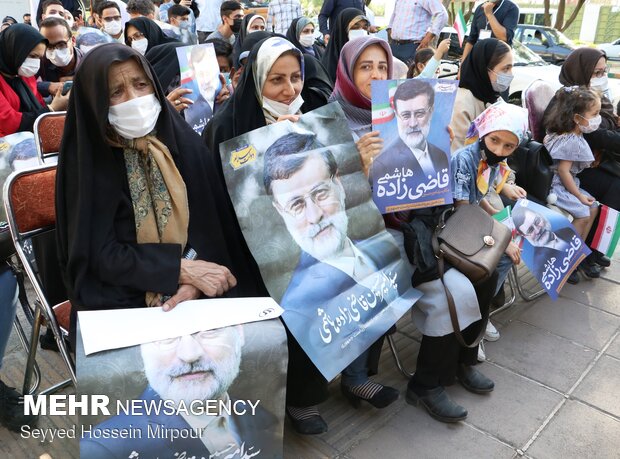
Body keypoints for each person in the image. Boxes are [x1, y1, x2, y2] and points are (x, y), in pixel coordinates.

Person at [55, 44, 265, 343]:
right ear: (95, 100)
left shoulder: (183, 144)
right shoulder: (87, 164)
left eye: (141, 85)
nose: (134, 100)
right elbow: (96, 257)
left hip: (199, 285)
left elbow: (214, 226)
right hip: (122, 296)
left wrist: (195, 282)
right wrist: (179, 271)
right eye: (116, 92)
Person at [263, 132, 399, 434]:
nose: (315, 216)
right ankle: (302, 401)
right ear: (279, 211)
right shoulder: (298, 301)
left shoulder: (378, 250)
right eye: (297, 205)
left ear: (338, 182)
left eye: (321, 193)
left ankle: (356, 378)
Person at [80, 325, 278, 458]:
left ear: (239, 331)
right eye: (164, 337)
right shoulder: (104, 448)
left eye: (208, 330)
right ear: (139, 347)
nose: (190, 354)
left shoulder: (259, 416)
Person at [545, 47, 620, 269]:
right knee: (614, 186)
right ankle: (579, 256)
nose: (601, 77)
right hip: (572, 170)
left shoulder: (595, 99)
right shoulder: (568, 100)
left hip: (586, 163)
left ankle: (592, 249)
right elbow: (596, 135)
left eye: (604, 71)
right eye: (596, 72)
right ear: (582, 69)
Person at [451, 101, 527, 300]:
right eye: (494, 140)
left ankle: (482, 305)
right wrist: (498, 237)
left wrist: (495, 214)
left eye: (508, 146)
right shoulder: (465, 159)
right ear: (484, 132)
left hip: (473, 219)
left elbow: (478, 196)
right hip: (454, 225)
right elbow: (462, 209)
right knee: (502, 255)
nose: (499, 150)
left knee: (516, 246)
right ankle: (477, 308)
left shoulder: (491, 162)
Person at [542, 86, 601, 282]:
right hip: (556, 186)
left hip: (562, 183)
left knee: (593, 207)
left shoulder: (564, 131)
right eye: (594, 114)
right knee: (583, 212)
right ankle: (563, 259)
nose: (597, 118)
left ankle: (576, 254)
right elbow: (563, 171)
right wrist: (579, 195)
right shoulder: (572, 140)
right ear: (577, 118)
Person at [372, 79, 449, 185]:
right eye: (406, 115)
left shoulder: (441, 155)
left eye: (420, 114)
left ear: (431, 112)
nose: (413, 124)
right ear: (396, 115)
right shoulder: (383, 165)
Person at [0, 24, 69, 136]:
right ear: (13, 50)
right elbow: (9, 122)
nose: (35, 63)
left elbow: (39, 104)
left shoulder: (23, 75)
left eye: (39, 57)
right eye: (32, 56)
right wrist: (52, 108)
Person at [450, 38, 514, 152]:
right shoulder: (461, 104)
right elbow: (457, 156)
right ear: (484, 69)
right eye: (506, 69)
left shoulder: (494, 98)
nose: (511, 75)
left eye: (511, 68)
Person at [512, 205, 580, 284]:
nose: (537, 231)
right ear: (524, 236)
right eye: (530, 230)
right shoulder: (540, 268)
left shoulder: (567, 231)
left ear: (541, 216)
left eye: (537, 221)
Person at [387, 0, 447, 65]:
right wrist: (390, 31)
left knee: (410, 74)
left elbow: (442, 14)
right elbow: (394, 16)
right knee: (391, 74)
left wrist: (428, 38)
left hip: (413, 47)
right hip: (394, 46)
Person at [38, 17, 84, 98]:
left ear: (73, 41)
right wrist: (48, 86)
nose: (55, 51)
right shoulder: (41, 60)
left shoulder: (88, 61)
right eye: (49, 46)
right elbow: (25, 84)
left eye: (61, 44)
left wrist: (77, 80)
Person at [321, 7, 369, 82]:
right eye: (355, 27)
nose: (361, 31)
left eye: (365, 27)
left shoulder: (372, 57)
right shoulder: (329, 67)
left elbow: (383, 90)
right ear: (342, 30)